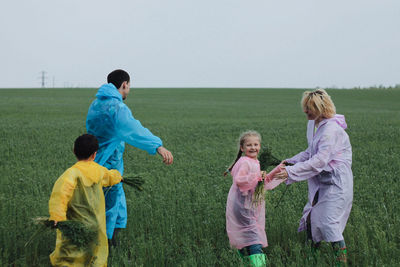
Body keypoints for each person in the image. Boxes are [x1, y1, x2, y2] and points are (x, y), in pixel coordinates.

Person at [86, 69, 173, 246]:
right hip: (109, 163)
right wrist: (157, 145)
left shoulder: (95, 104)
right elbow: (134, 129)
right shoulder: (117, 108)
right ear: (124, 84)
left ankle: (104, 240)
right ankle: (106, 245)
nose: (129, 90)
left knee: (107, 202)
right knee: (110, 204)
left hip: (93, 160)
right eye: (129, 86)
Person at [275, 89, 353, 263]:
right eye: (305, 107)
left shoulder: (331, 130)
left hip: (337, 183)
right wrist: (290, 162)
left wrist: (290, 172)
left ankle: (341, 262)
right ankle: (311, 258)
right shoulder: (314, 125)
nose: (305, 111)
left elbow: (319, 160)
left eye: (310, 107)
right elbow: (310, 152)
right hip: (322, 181)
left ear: (321, 108)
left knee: (328, 222)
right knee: (312, 218)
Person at [48, 134, 122, 266]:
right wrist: (119, 177)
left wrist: (57, 216)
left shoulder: (70, 174)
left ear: (74, 151)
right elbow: (110, 176)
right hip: (95, 223)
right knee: (95, 251)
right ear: (95, 154)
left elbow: (60, 196)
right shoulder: (98, 170)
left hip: (76, 223)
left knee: (72, 249)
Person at [225, 131, 284, 267]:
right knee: (254, 237)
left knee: (248, 236)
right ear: (242, 148)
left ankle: (244, 260)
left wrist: (278, 169)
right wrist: (258, 177)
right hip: (243, 206)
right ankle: (258, 264)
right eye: (249, 145)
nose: (253, 147)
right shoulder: (245, 162)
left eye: (256, 144)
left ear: (260, 146)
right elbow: (240, 180)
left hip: (248, 206)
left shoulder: (254, 162)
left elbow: (263, 181)